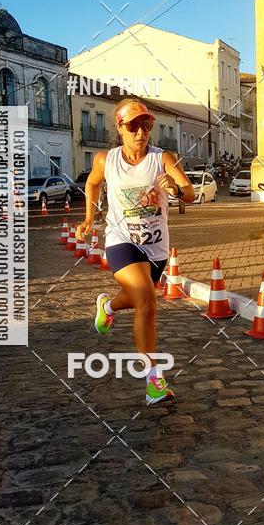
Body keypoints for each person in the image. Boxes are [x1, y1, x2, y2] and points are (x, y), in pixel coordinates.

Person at [76, 100, 195, 404]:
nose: (141, 133)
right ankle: (154, 379)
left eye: (146, 126)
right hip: (121, 240)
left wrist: (176, 189)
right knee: (147, 299)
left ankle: (108, 307)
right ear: (120, 128)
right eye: (133, 127)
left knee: (140, 297)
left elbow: (190, 193)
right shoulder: (107, 160)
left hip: (155, 247)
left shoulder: (162, 158)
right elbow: (91, 184)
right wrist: (89, 218)